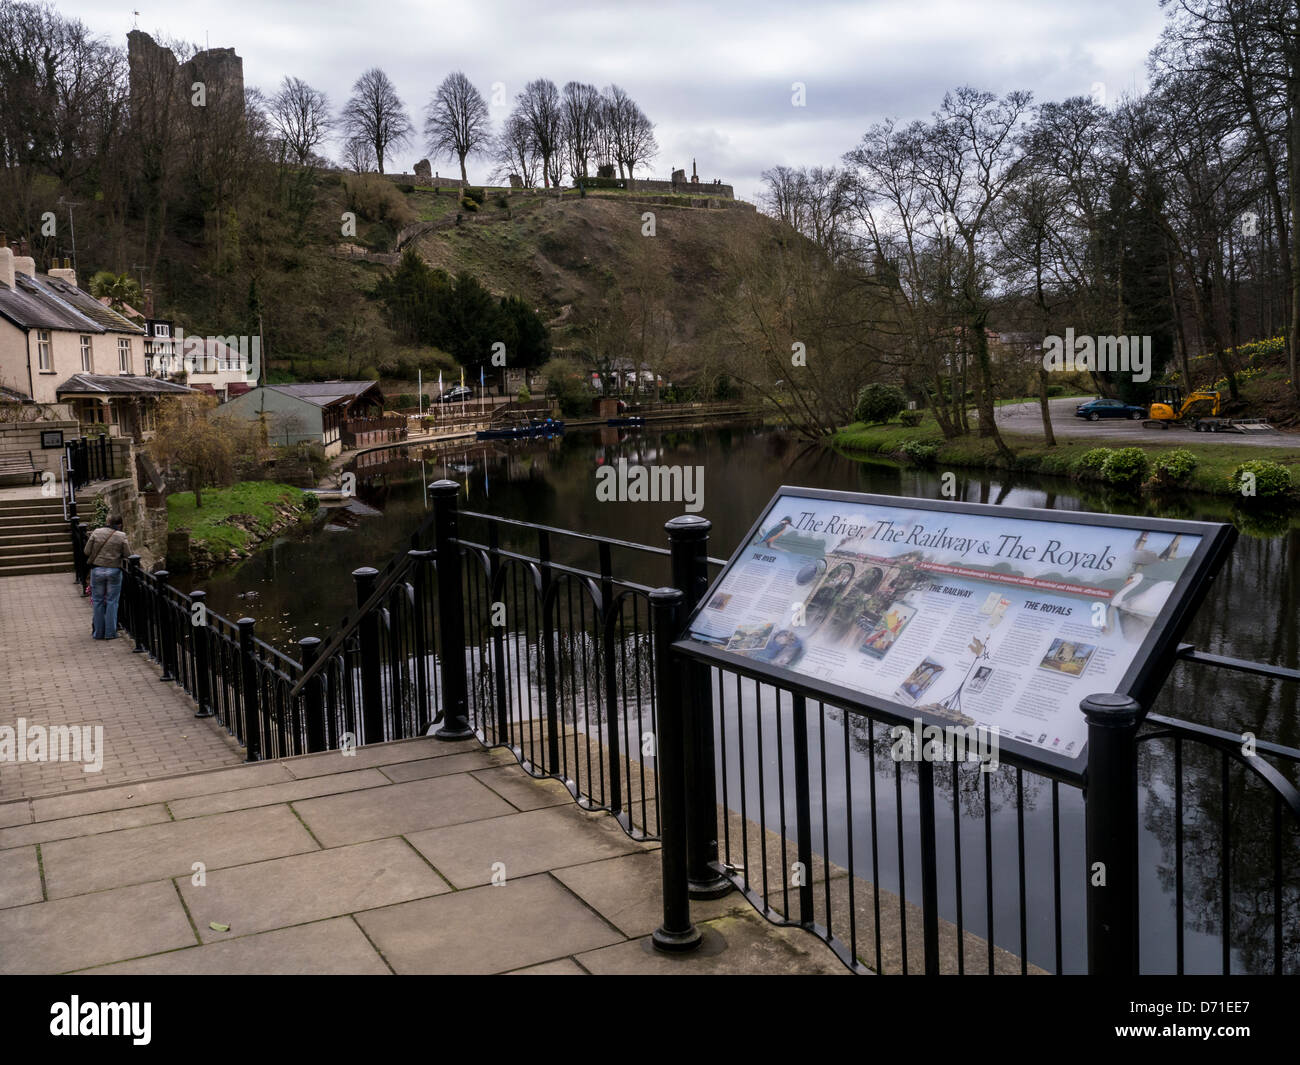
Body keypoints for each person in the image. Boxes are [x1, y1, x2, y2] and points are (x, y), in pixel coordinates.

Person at [84, 517, 130, 640]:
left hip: (97, 570)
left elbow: (87, 551)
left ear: (107, 523)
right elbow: (127, 554)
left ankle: (98, 633)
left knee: (98, 602)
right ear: (119, 525)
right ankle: (110, 633)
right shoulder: (121, 536)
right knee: (112, 602)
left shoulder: (96, 532)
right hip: (114, 570)